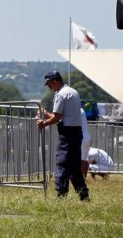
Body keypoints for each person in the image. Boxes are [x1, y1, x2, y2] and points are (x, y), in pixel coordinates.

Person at [37, 71, 89, 201]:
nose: (49, 87)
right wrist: (49, 116)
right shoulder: (73, 92)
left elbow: (57, 118)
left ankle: (61, 195)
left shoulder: (60, 95)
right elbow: (64, 116)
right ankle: (83, 194)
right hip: (77, 133)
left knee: (62, 163)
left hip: (66, 134)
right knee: (75, 166)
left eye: (49, 84)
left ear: (55, 81)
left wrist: (43, 123)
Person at [80, 107, 92, 177]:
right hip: (85, 137)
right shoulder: (81, 110)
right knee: (84, 159)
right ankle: (83, 178)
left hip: (81, 137)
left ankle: (81, 179)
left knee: (81, 160)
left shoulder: (76, 110)